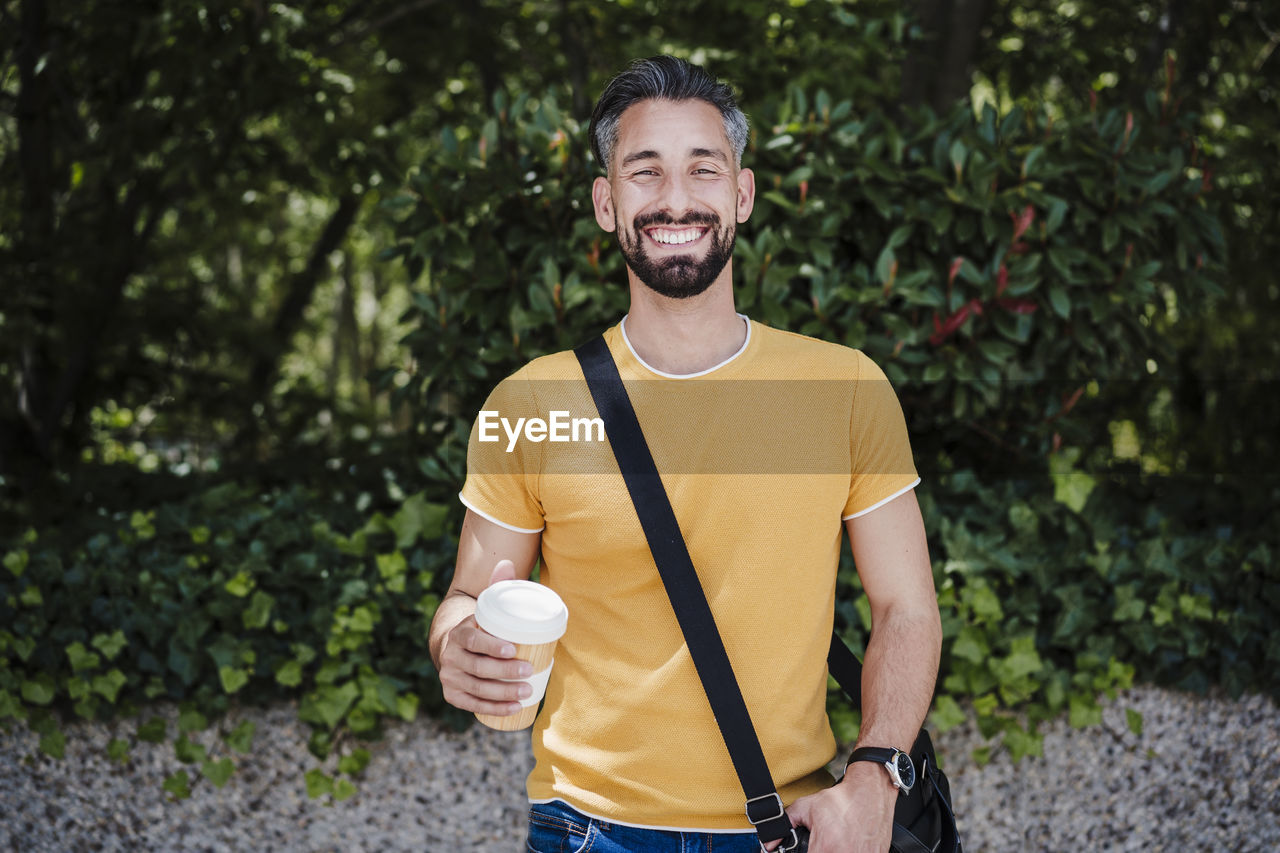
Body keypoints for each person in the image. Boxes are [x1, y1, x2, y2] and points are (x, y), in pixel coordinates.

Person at [428, 56, 942, 853]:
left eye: (703, 168)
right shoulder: (529, 403)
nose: (675, 198)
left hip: (786, 829)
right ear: (607, 202)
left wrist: (875, 774)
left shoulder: (843, 386)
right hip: (584, 830)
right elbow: (466, 596)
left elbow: (907, 610)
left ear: (741, 194)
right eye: (644, 172)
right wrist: (455, 644)